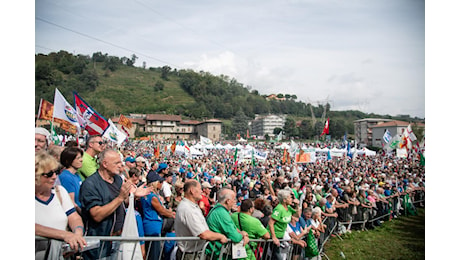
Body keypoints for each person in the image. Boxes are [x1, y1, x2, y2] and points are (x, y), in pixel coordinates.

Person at [79, 149, 151, 259]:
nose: (120, 165)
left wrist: (133, 196)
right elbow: (97, 215)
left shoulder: (117, 179)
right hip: (100, 243)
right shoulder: (90, 184)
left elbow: (122, 202)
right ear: (104, 164)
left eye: (120, 162)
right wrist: (120, 197)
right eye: (116, 163)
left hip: (117, 239)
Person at [35, 151, 86, 258]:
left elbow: (74, 217)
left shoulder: (59, 192)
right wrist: (64, 235)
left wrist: (77, 233)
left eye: (56, 172)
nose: (54, 177)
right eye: (49, 174)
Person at [175, 179, 228, 260]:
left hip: (194, 252)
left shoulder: (191, 206)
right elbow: (203, 234)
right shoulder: (187, 208)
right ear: (192, 190)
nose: (201, 191)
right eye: (200, 189)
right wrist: (220, 236)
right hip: (190, 254)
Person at [206, 188, 250, 259]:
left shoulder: (220, 210)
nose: (235, 202)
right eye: (234, 199)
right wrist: (242, 235)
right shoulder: (221, 213)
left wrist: (241, 232)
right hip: (218, 254)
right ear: (228, 201)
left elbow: (234, 228)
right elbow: (235, 237)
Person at [141, 173, 175, 260]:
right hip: (153, 226)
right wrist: (173, 214)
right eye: (160, 182)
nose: (162, 184)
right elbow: (162, 211)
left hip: (150, 224)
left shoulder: (145, 193)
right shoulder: (152, 196)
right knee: (154, 254)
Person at [267, 189, 299, 260]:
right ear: (284, 200)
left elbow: (297, 215)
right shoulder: (279, 209)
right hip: (274, 236)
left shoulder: (288, 208)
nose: (291, 199)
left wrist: (297, 205)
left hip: (281, 236)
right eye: (289, 198)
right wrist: (274, 237)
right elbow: (271, 223)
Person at [58, 147, 84, 214]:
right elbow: (71, 202)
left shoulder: (76, 175)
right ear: (68, 161)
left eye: (81, 157)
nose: (81, 160)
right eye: (78, 158)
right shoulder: (66, 177)